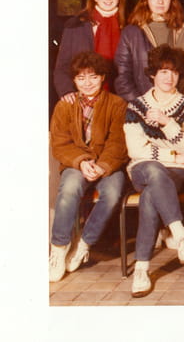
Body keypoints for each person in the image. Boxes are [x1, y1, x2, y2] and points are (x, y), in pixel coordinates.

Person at [123, 45, 184, 297]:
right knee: (155, 170)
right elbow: (136, 150)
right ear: (152, 74)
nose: (169, 78)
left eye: (174, 72)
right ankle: (180, 234)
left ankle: (141, 269)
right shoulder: (136, 107)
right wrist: (173, 155)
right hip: (144, 169)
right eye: (164, 71)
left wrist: (167, 122)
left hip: (177, 172)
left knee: (150, 195)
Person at [49, 52, 128, 283]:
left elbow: (118, 143)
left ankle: (84, 244)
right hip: (77, 164)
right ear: (74, 80)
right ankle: (58, 249)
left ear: (102, 77)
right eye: (81, 78)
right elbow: (60, 144)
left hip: (107, 165)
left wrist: (102, 166)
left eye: (93, 77)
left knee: (112, 194)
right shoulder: (65, 105)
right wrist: (81, 161)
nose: (87, 83)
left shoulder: (117, 104)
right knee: (69, 189)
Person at [54, 0, 125, 101]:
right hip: (82, 97)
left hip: (120, 99)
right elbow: (62, 66)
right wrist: (67, 90)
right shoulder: (75, 25)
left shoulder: (129, 27)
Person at [114, 0, 184, 102]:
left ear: (172, 1)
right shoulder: (131, 32)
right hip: (142, 104)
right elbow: (122, 77)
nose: (160, 2)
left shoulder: (182, 29)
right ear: (146, 0)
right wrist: (142, 104)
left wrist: (181, 103)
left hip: (177, 103)